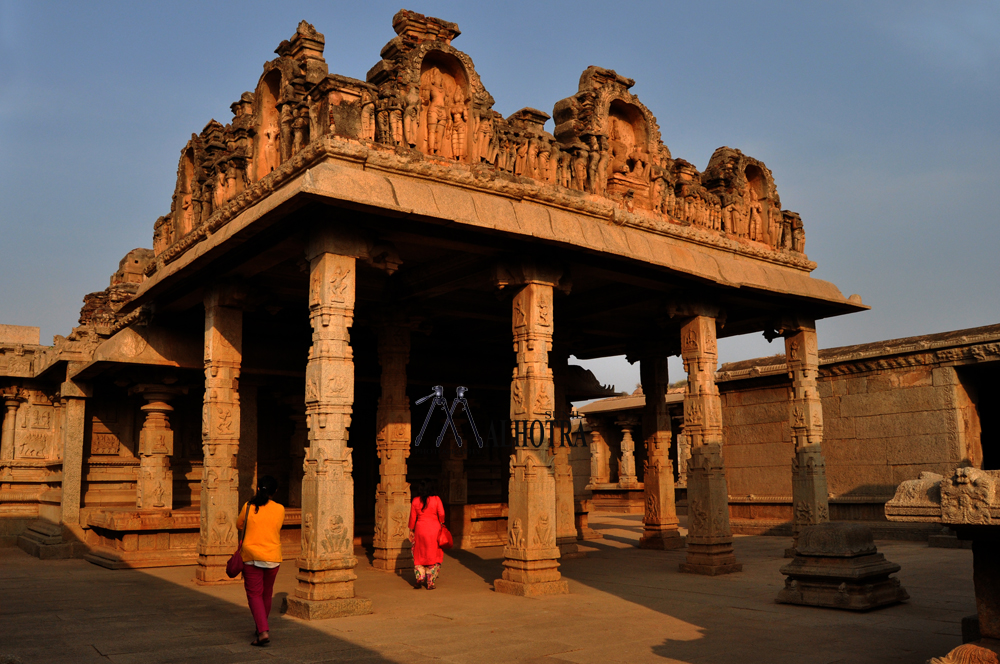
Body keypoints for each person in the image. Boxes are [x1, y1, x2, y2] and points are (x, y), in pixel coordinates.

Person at [237, 475, 284, 647]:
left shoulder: (249, 506)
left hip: (251, 556)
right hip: (272, 556)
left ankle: (263, 630)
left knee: (254, 594)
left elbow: (239, 524)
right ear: (275, 491)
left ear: (258, 489)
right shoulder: (280, 509)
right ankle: (260, 627)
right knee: (266, 593)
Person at [408, 480, 445, 589]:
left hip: (420, 529)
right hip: (434, 529)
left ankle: (420, 576)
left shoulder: (415, 501)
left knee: (419, 552)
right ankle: (430, 582)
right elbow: (442, 514)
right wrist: (441, 522)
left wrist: (411, 530)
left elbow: (412, 517)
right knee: (433, 553)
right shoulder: (436, 499)